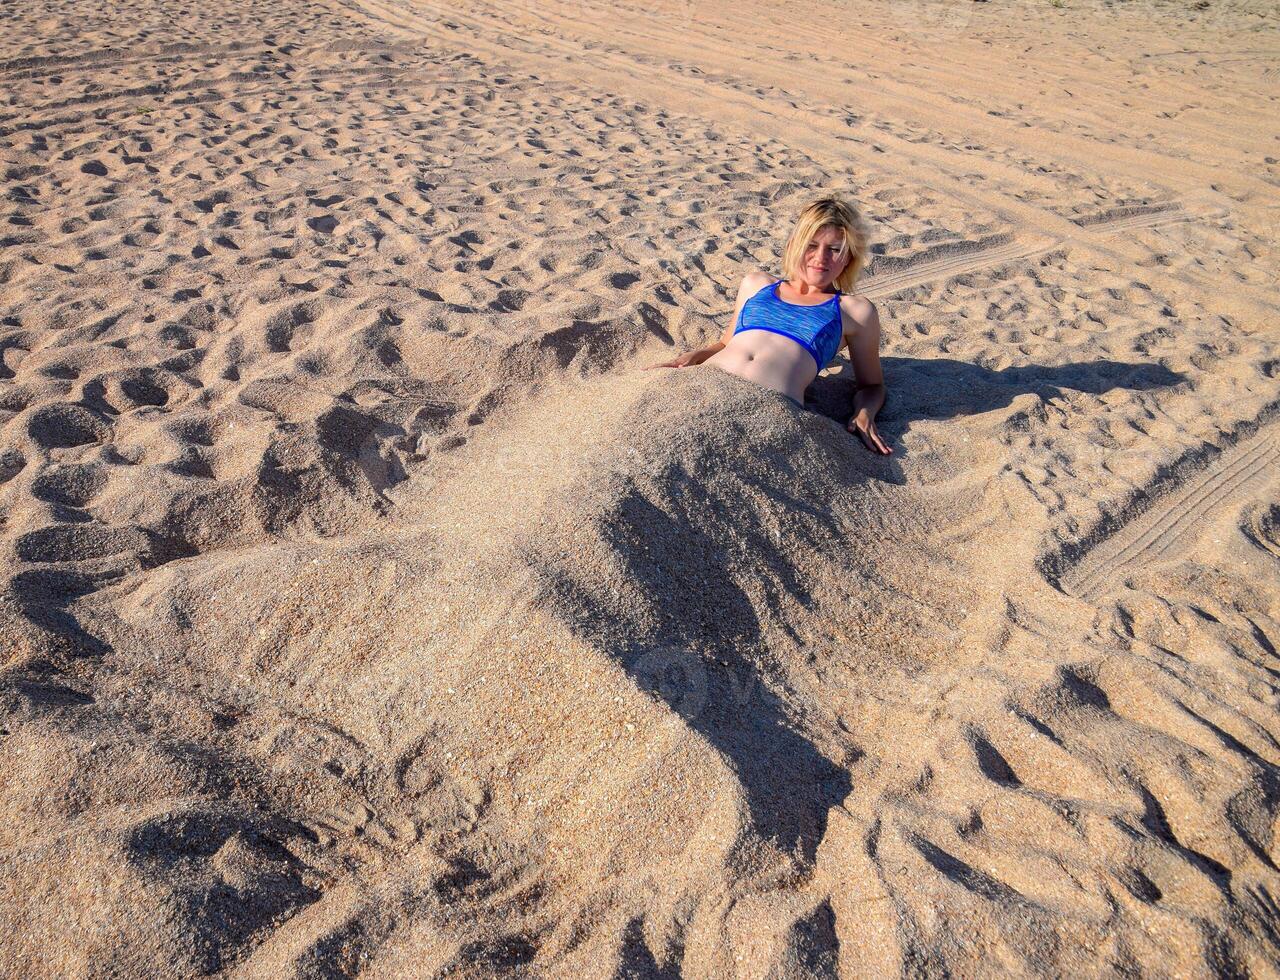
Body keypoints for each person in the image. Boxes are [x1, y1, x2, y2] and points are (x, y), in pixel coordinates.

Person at [646, 196, 891, 455]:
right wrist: (695, 355)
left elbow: (872, 386)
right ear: (793, 244)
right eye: (811, 245)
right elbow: (725, 343)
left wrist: (865, 413)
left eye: (834, 249)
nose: (820, 258)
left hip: (769, 413)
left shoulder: (854, 310)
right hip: (705, 386)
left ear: (849, 257)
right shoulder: (757, 284)